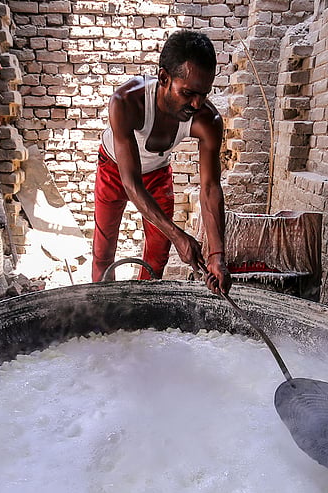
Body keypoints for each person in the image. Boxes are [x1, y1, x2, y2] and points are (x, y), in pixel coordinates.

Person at [92, 30, 231, 295]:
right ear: (164, 77)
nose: (197, 103)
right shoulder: (126, 102)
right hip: (114, 169)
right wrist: (179, 235)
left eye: (204, 93)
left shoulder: (207, 120)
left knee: (158, 253)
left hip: (156, 173)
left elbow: (211, 189)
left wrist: (217, 256)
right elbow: (130, 184)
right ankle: (101, 311)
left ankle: (143, 308)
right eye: (188, 92)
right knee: (104, 249)